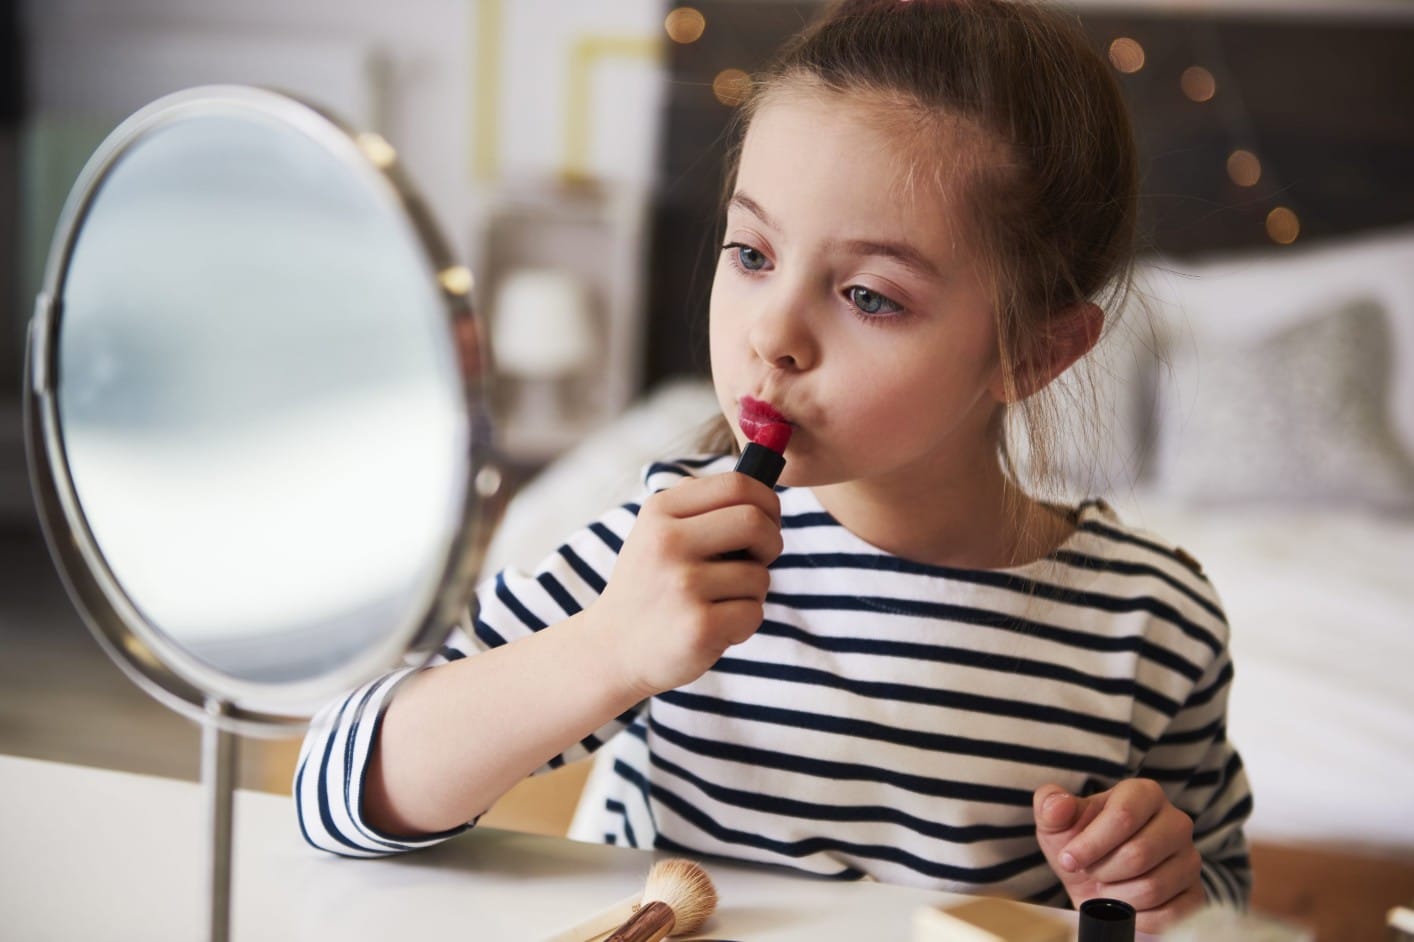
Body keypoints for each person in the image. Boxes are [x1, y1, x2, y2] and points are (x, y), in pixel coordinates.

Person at [295, 0, 1252, 931]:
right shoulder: (669, 544)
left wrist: (1165, 898)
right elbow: (334, 789)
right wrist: (610, 649)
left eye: (869, 296)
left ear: (1035, 352)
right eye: (751, 253)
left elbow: (1218, 902)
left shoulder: (1152, 626)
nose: (772, 333)